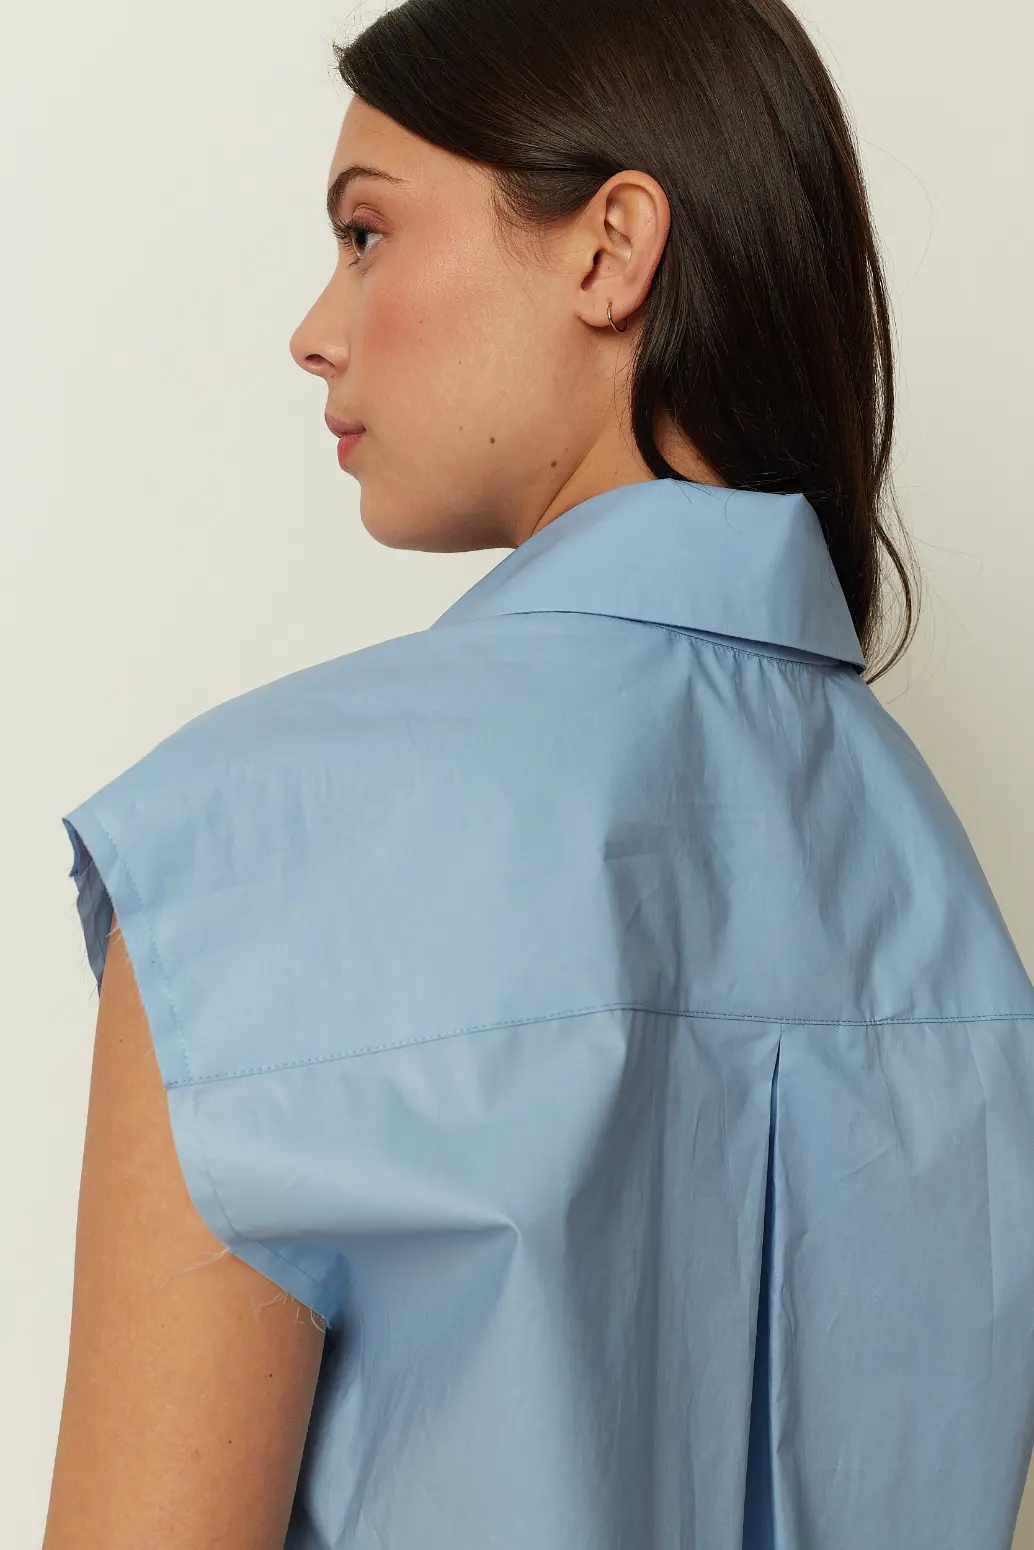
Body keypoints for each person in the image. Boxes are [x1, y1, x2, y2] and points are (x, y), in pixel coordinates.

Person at [43, 0, 1034, 1547]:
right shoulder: (950, 906)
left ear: (610, 248)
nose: (315, 327)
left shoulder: (246, 848)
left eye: (365, 233)